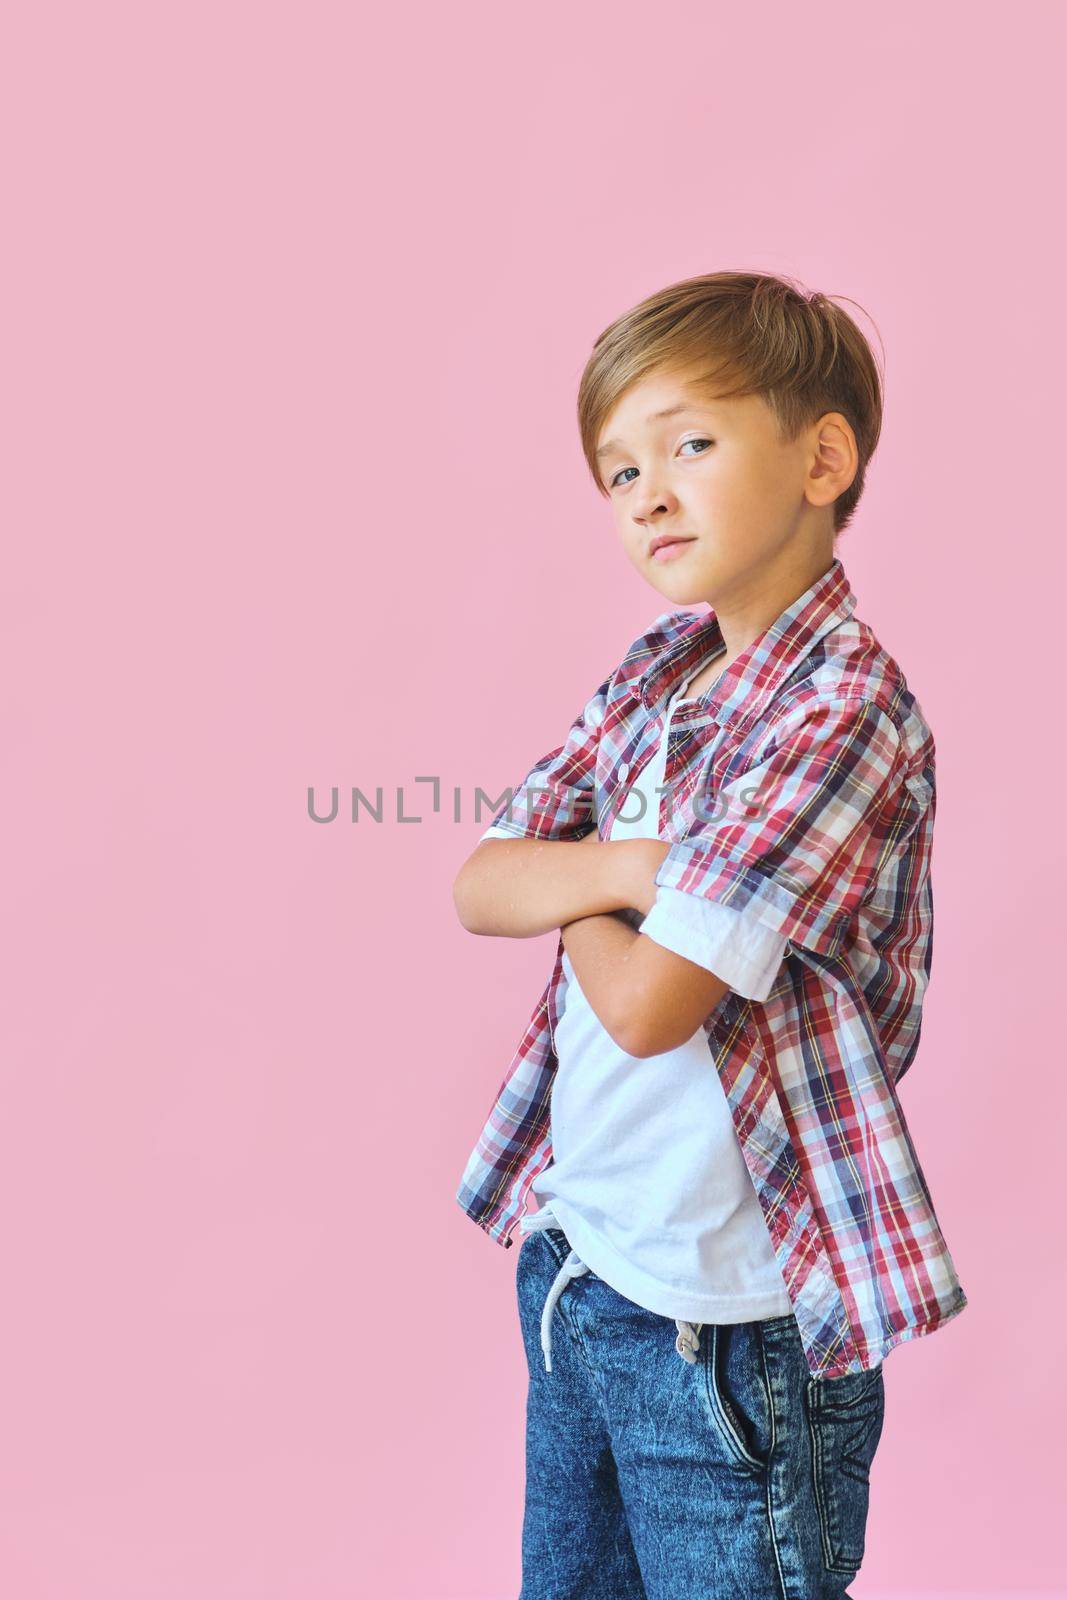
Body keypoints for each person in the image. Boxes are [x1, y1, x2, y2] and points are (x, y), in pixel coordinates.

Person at [451, 270, 968, 1600]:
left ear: (820, 456)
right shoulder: (657, 677)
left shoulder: (842, 710)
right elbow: (481, 877)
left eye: (688, 443)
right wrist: (619, 865)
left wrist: (567, 879)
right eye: (619, 472)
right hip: (582, 1274)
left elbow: (648, 1008)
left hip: (723, 1335)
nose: (649, 496)